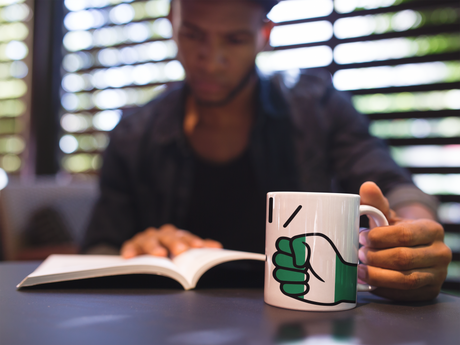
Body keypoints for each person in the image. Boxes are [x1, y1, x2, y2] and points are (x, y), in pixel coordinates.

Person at [82, 0, 452, 301]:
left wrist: (410, 235)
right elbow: (99, 246)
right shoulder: (134, 134)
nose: (211, 60)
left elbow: (394, 187)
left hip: (302, 318)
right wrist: (132, 253)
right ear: (172, 23)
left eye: (235, 39)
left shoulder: (318, 108)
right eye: (193, 35)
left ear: (264, 35)